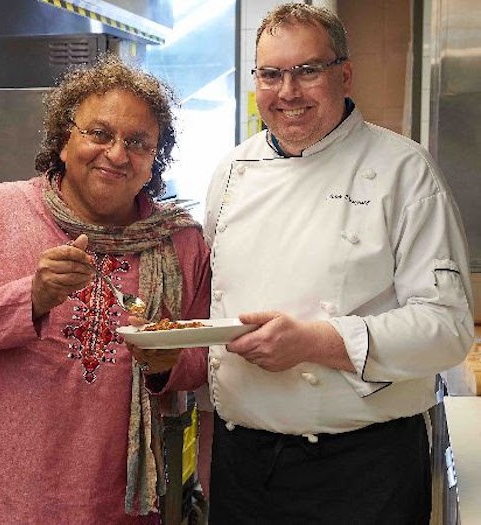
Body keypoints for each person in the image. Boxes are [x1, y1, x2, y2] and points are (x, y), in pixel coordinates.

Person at [202, 4, 474, 524]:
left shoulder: (403, 171)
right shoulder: (231, 171)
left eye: (307, 70)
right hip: (244, 466)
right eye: (271, 74)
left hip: (363, 469)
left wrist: (314, 342)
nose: (288, 93)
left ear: (344, 74)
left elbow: (447, 328)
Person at [0, 54, 211, 524]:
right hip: (2, 498)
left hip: (118, 504)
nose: (117, 154)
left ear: (155, 160)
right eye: (99, 133)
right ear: (63, 141)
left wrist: (168, 363)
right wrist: (28, 299)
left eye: (138, 142)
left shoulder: (179, 241)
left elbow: (204, 354)